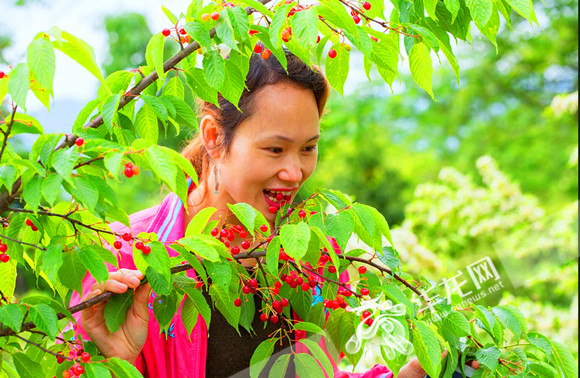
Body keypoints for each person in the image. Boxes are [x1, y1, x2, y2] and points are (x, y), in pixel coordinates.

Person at [71, 51, 436, 377]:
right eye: (275, 149)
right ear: (214, 136)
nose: (295, 172)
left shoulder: (308, 259)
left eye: (309, 148)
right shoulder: (122, 258)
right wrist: (119, 362)